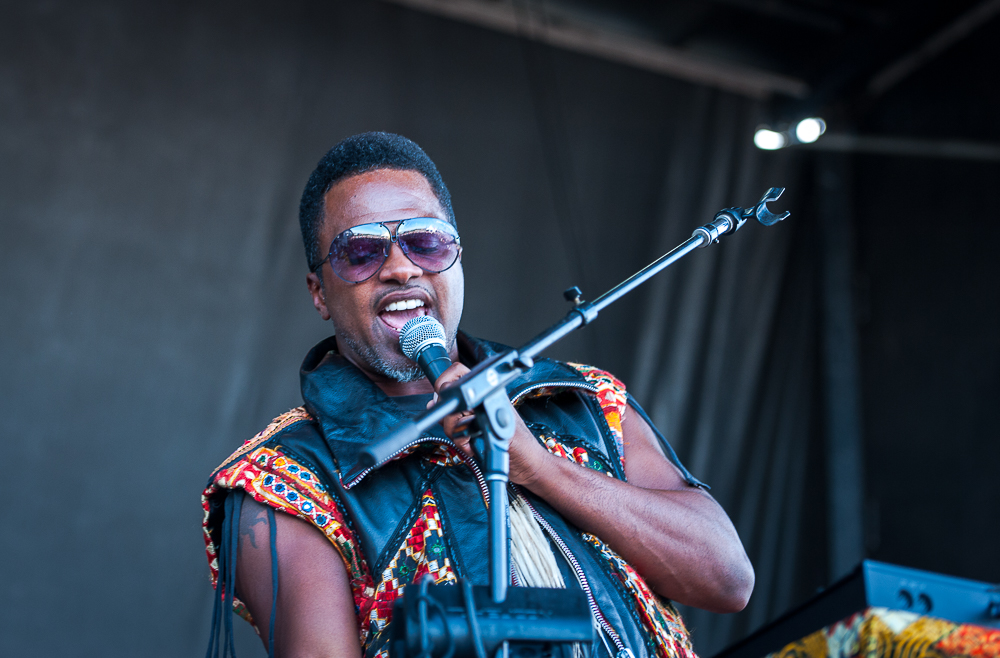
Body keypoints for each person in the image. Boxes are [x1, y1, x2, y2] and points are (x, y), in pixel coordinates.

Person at [202, 132, 754, 658]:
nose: (400, 267)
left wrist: (538, 467)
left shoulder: (580, 399)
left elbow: (728, 580)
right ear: (319, 292)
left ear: (457, 258)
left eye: (425, 241)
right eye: (361, 252)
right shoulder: (286, 481)